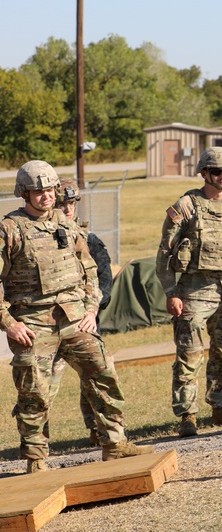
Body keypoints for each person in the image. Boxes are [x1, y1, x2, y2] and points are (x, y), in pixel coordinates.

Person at [1, 160, 153, 472]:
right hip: (32, 324)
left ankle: (114, 443)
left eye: (49, 190)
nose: (45, 196)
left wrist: (92, 310)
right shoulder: (10, 230)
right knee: (34, 394)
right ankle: (36, 460)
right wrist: (8, 322)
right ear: (23, 193)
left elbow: (91, 272)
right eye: (38, 191)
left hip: (74, 320)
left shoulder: (67, 227)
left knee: (103, 375)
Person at [155, 147, 222, 438]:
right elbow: (164, 252)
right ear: (204, 173)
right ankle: (188, 416)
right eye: (216, 171)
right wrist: (171, 292)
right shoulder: (186, 205)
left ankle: (219, 410)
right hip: (194, 293)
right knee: (189, 356)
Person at [48, 177, 114, 446]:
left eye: (72, 203)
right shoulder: (40, 238)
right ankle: (36, 441)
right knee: (42, 386)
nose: (68, 209)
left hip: (83, 322)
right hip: (48, 325)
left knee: (94, 379)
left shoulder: (89, 239)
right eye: (62, 203)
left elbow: (104, 280)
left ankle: (97, 431)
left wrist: (91, 311)